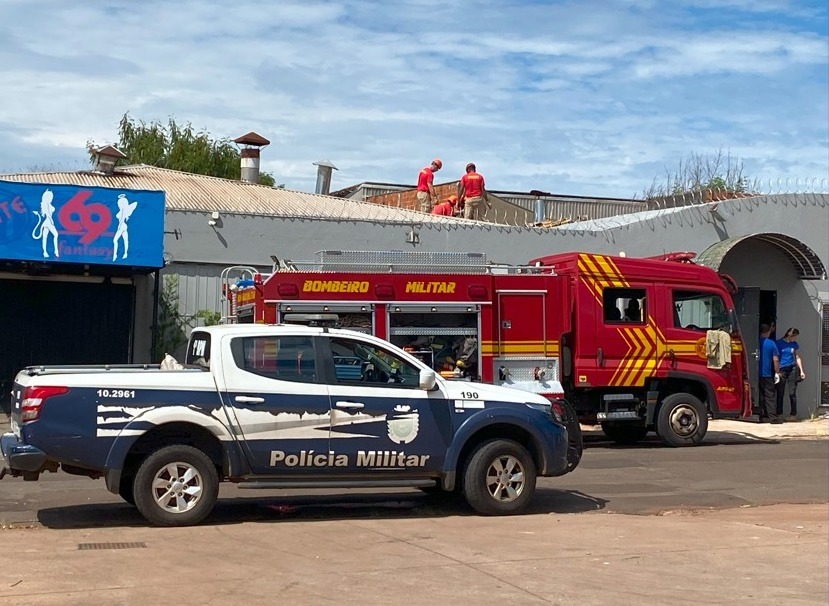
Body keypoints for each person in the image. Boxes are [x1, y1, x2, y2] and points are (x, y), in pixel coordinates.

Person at [775, 327, 805, 420]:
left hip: (792, 368)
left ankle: (793, 414)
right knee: (780, 392)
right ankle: (779, 413)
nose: (795, 339)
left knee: (792, 392)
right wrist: (777, 371)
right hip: (782, 368)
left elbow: (797, 356)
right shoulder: (779, 343)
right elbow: (775, 356)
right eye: (794, 336)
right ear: (789, 335)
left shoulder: (794, 344)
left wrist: (801, 370)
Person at [758, 323, 781, 423]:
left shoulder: (755, 341)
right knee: (770, 395)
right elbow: (775, 359)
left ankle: (760, 414)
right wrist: (777, 372)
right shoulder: (771, 343)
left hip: (755, 373)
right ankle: (772, 417)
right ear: (769, 331)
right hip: (767, 373)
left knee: (759, 394)